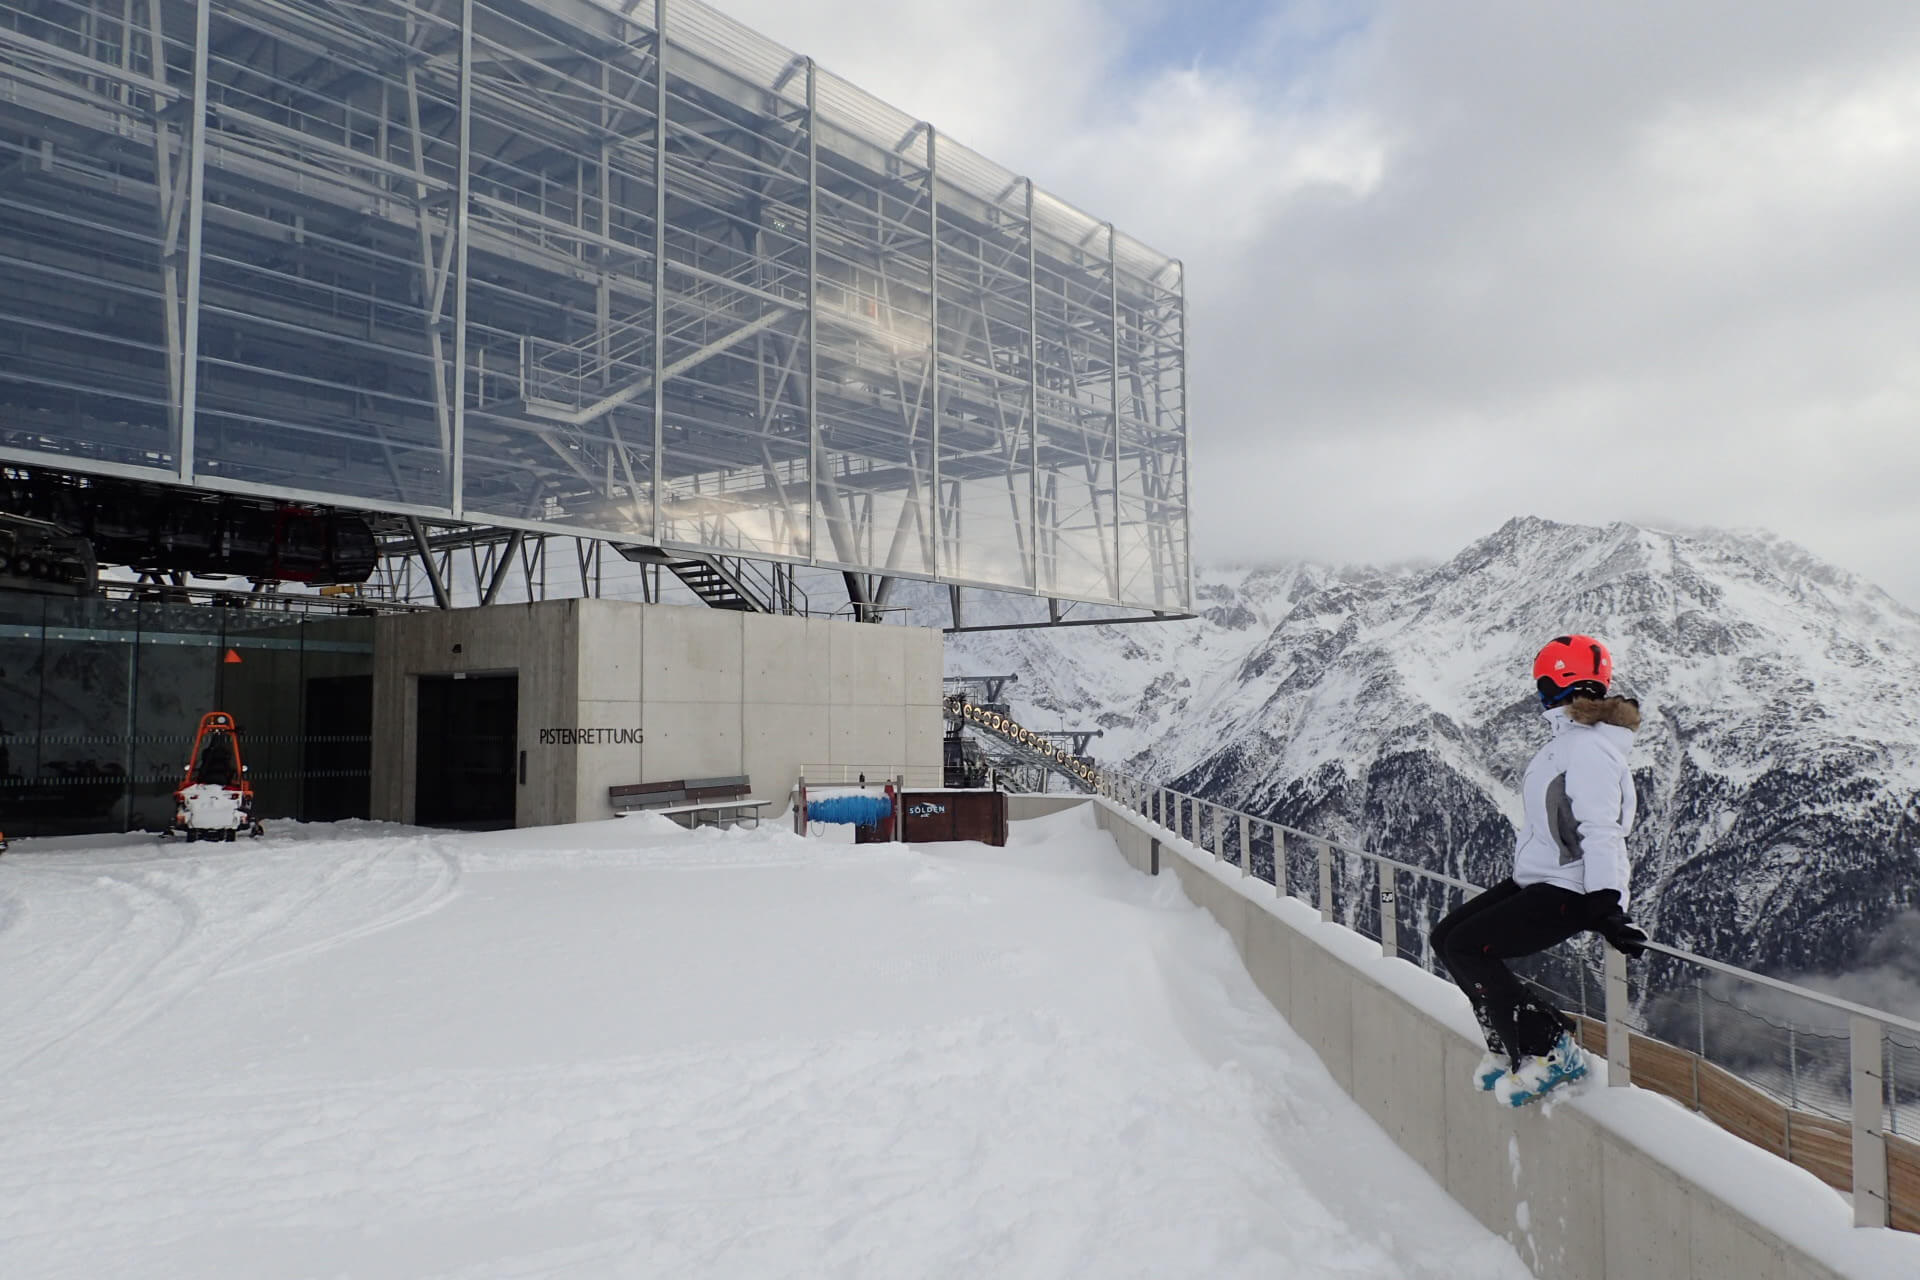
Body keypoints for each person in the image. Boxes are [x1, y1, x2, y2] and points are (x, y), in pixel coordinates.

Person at [1430, 634, 1651, 1106]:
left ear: (1556, 685)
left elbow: (1602, 829)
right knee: (1446, 937)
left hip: (1568, 889)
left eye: (1543, 684)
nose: (1538, 694)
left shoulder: (1588, 749)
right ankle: (1508, 1042)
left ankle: (1552, 1048)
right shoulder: (1567, 742)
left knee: (1469, 947)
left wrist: (1607, 902)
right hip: (1537, 880)